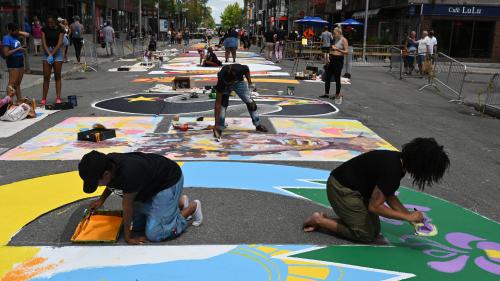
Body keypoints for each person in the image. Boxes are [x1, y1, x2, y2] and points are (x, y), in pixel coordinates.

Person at [303, 138, 450, 243]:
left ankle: (330, 219)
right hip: (341, 189)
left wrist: (409, 215)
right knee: (365, 234)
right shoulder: (393, 170)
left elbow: (388, 194)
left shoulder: (398, 161)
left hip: (355, 190)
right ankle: (319, 220)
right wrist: (407, 218)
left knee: (374, 229)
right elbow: (375, 206)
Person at [78, 150, 203, 244]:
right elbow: (111, 184)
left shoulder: (129, 173)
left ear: (106, 174)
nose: (97, 185)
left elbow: (128, 206)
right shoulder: (108, 163)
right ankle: (178, 203)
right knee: (137, 226)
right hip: (151, 185)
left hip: (169, 182)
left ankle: (192, 207)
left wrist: (128, 238)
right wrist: (101, 200)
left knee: (155, 234)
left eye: (96, 182)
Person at [213, 64, 268, 139]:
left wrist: (250, 82)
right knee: (223, 104)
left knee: (251, 103)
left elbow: (247, 69)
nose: (230, 86)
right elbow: (217, 104)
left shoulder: (239, 69)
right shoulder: (221, 81)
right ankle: (220, 127)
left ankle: (257, 124)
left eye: (230, 83)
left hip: (239, 82)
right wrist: (216, 125)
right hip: (225, 84)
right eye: (229, 84)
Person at [320, 27, 348, 105]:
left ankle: (337, 94)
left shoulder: (344, 40)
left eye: (335, 33)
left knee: (337, 77)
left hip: (339, 60)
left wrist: (338, 50)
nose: (333, 35)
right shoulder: (335, 40)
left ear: (339, 33)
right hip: (332, 58)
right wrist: (329, 56)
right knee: (327, 75)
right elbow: (333, 49)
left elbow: (346, 51)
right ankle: (326, 93)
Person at [41, 15, 64, 105]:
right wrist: (49, 54)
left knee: (57, 76)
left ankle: (58, 98)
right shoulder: (44, 29)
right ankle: (43, 99)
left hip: (57, 53)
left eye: (52, 22)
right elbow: (43, 43)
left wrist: (52, 54)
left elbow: (60, 43)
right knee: (46, 77)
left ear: (56, 22)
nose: (50, 24)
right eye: (48, 22)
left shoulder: (60, 30)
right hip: (47, 52)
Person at [2, 23, 29, 102]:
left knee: (17, 83)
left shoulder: (16, 36)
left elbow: (27, 35)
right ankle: (8, 102)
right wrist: (18, 49)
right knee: (12, 83)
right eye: (15, 31)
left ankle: (19, 100)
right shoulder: (6, 38)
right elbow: (6, 53)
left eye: (17, 31)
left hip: (20, 59)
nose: (17, 33)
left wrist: (17, 32)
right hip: (13, 60)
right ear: (10, 31)